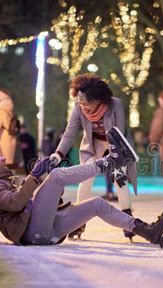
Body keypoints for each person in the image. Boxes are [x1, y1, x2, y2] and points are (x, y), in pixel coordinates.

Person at [0, 127, 163, 248]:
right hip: (32, 233)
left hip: (46, 231)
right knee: (57, 175)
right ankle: (109, 163)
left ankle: (149, 232)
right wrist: (35, 177)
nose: (1, 158)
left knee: (96, 204)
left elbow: (24, 203)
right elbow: (16, 204)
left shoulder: (4, 182)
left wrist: (45, 186)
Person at [50, 73, 138, 240]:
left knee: (119, 178)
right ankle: (76, 222)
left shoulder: (115, 105)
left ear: (97, 99)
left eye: (85, 103)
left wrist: (114, 159)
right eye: (80, 102)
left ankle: (128, 221)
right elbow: (70, 132)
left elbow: (119, 133)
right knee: (85, 179)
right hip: (93, 146)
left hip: (116, 145)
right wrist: (58, 153)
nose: (82, 106)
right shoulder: (78, 107)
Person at [0, 88, 19, 168]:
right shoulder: (9, 110)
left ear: (0, 99)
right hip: (10, 141)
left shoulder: (0, 111)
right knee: (7, 166)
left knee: (1, 167)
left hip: (2, 143)